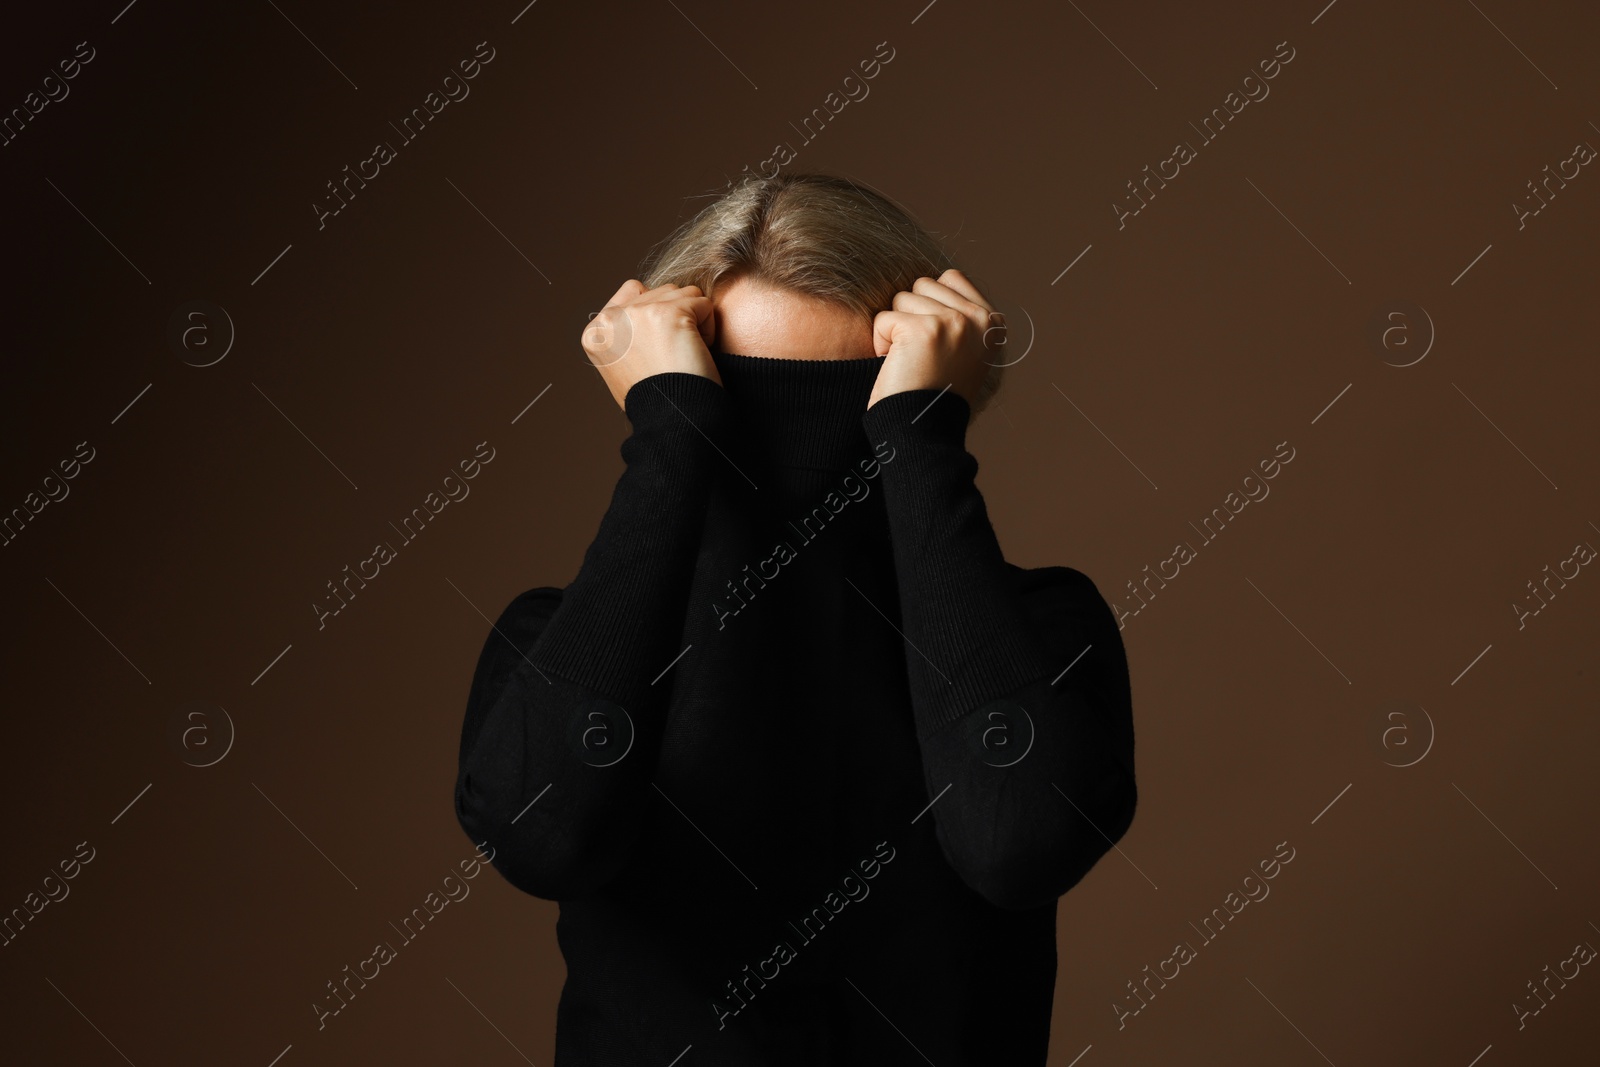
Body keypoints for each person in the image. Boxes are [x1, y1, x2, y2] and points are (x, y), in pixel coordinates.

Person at [453, 172, 1137, 1065]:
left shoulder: (1043, 635)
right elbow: (545, 840)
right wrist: (667, 443)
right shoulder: (558, 645)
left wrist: (922, 442)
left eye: (854, 406)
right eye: (732, 404)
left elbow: (1015, 846)